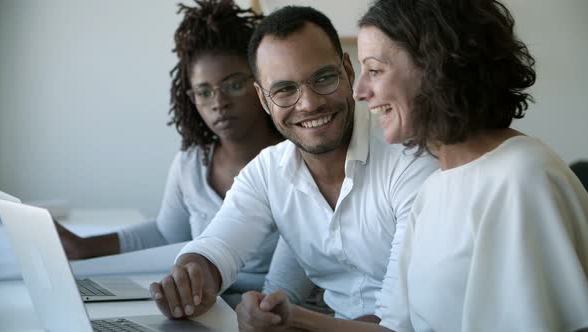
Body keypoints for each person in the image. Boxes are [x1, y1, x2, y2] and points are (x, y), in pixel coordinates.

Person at [238, 0, 588, 331]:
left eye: (373, 70)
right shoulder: (435, 187)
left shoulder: (522, 177)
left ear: (436, 69)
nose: (359, 91)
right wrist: (293, 319)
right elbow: (398, 327)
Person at [149, 5, 438, 323]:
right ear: (263, 98)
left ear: (348, 70)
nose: (309, 103)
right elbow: (217, 247)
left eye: (324, 78)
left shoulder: (409, 156)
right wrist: (189, 279)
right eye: (285, 89)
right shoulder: (268, 170)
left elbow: (400, 324)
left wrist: (296, 323)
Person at [54, 0, 283, 307]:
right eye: (203, 92)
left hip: (270, 311)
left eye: (234, 84)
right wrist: (83, 247)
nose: (219, 102)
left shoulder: (292, 162)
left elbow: (290, 287)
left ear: (259, 84)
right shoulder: (191, 164)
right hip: (209, 308)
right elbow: (167, 234)